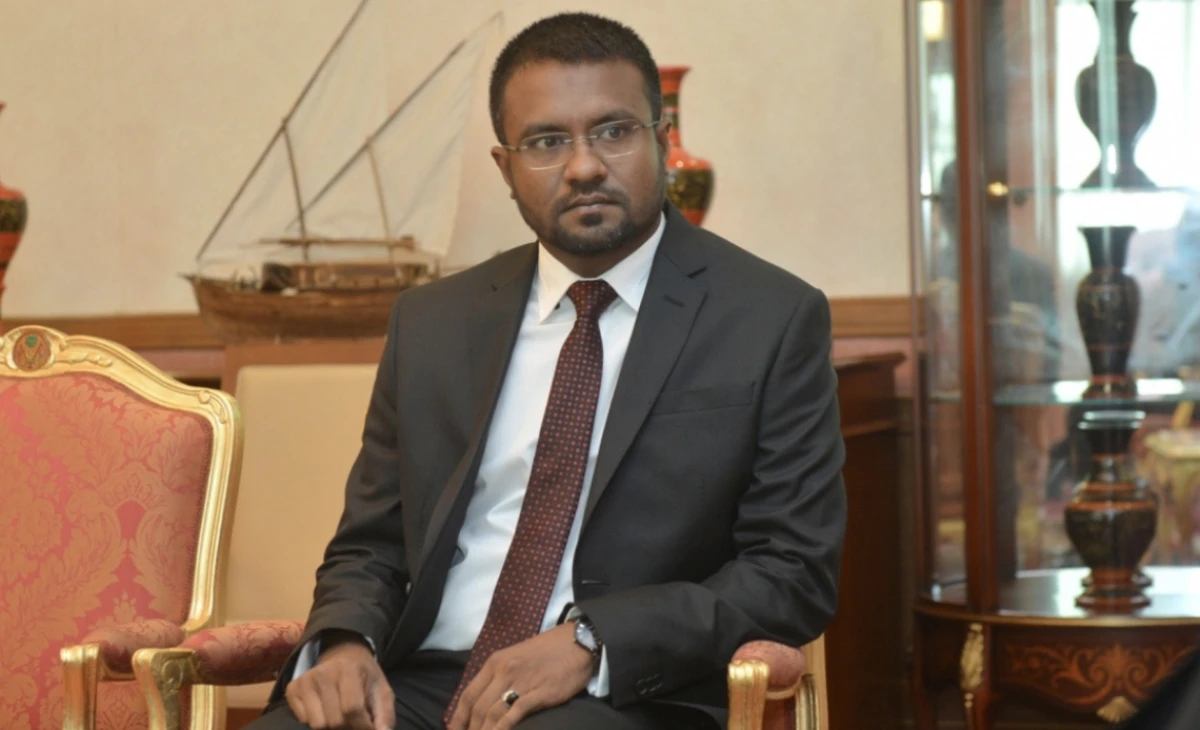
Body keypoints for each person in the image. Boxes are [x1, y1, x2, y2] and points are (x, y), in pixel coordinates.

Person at [248, 12, 847, 730]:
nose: (584, 166)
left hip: (623, 693)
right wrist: (345, 641)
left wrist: (593, 642)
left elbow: (791, 571)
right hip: (424, 683)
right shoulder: (432, 321)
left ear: (660, 140)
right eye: (547, 142)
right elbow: (371, 541)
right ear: (505, 168)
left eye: (614, 131)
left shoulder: (769, 317)